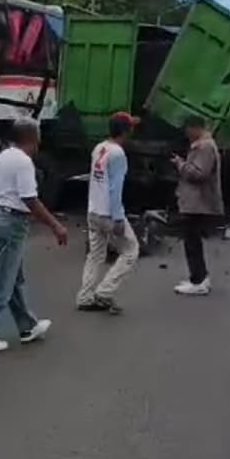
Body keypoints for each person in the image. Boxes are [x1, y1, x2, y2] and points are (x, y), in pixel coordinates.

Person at [0, 118, 67, 352]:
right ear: (33, 138)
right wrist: (55, 225)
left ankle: (27, 326)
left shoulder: (2, 157)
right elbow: (30, 198)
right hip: (12, 221)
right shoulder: (23, 162)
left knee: (12, 278)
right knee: (1, 282)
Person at [76, 112, 139, 315]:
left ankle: (85, 297)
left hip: (93, 210)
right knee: (130, 250)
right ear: (126, 131)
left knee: (95, 255)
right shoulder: (118, 154)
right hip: (108, 213)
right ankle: (105, 291)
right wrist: (118, 218)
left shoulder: (99, 148)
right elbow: (115, 188)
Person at [172, 115, 223, 296]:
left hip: (197, 201)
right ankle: (199, 278)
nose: (186, 134)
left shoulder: (205, 147)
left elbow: (199, 173)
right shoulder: (204, 145)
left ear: (195, 128)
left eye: (188, 130)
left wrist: (181, 165)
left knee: (192, 241)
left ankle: (199, 280)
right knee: (192, 240)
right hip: (196, 201)